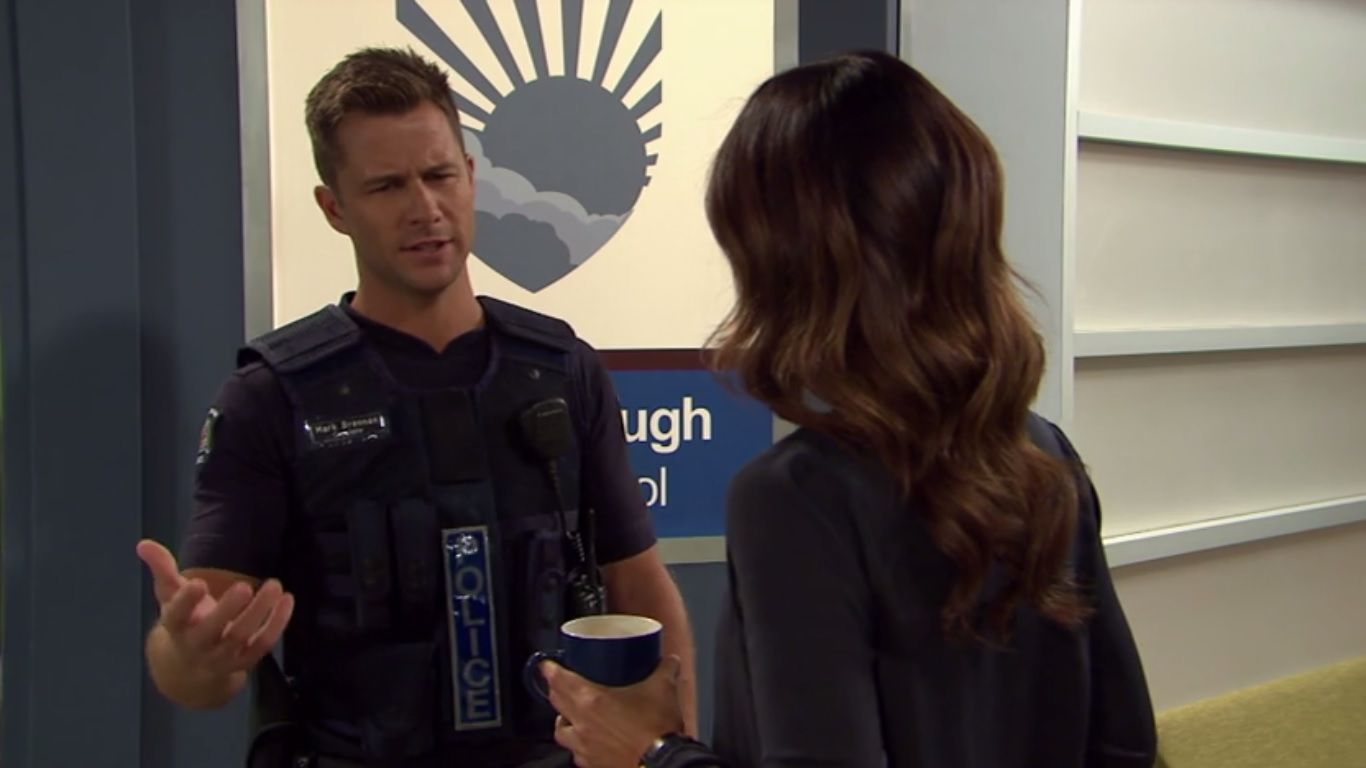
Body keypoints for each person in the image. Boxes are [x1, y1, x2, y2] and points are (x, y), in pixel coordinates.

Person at [539, 50, 1158, 768]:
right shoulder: (1046, 456)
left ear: (783, 259)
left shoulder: (796, 497)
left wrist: (649, 752)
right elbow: (1127, 746)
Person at [136, 46, 696, 767]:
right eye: (387, 186)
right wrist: (189, 652)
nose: (425, 209)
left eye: (439, 176)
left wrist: (672, 752)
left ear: (470, 176)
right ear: (334, 208)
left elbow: (640, 585)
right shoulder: (271, 398)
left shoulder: (560, 371)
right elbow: (197, 663)